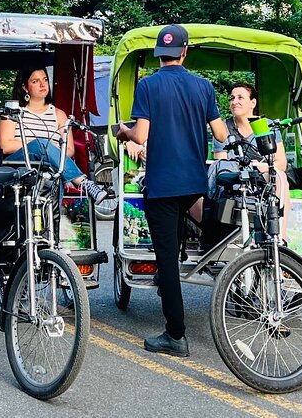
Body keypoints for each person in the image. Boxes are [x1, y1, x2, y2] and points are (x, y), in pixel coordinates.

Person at [115, 24, 227, 357]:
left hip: (162, 185)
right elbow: (220, 134)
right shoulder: (204, 86)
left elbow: (140, 136)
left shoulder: (147, 85)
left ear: (158, 54)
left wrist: (123, 131)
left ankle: (175, 334)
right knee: (176, 243)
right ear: (184, 51)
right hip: (194, 184)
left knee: (166, 257)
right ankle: (170, 293)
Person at [0, 66, 108, 204]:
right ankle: (82, 182)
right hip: (20, 164)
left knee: (52, 164)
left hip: (50, 168)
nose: (42, 84)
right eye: (35, 81)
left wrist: (49, 151)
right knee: (41, 144)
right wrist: (39, 145)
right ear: (25, 87)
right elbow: (6, 145)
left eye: (45, 80)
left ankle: (54, 220)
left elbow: (69, 150)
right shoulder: (13, 112)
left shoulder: (59, 114)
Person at [205, 82, 292, 244]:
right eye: (232, 98)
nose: (234, 102)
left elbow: (281, 162)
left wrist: (261, 166)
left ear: (253, 103)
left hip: (262, 174)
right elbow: (221, 161)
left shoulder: (267, 126)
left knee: (281, 177)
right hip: (234, 175)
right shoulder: (223, 128)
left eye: (240, 98)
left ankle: (280, 235)